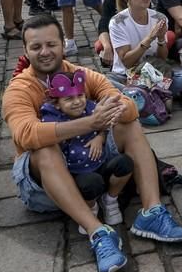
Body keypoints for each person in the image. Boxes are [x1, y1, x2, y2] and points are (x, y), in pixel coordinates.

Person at [5, 14, 182, 272]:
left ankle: (151, 210)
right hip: (46, 186)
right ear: (26, 50)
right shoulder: (19, 89)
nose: (45, 52)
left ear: (62, 44)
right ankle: (98, 232)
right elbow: (26, 134)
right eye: (36, 47)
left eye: (51, 44)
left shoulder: (81, 75)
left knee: (130, 125)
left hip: (89, 162)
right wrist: (91, 123)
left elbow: (127, 108)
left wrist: (110, 112)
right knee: (44, 146)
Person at [40, 68, 135, 232]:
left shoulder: (90, 108)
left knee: (125, 164)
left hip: (100, 163)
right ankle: (89, 208)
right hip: (77, 173)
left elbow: (105, 126)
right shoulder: (52, 119)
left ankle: (110, 199)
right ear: (56, 103)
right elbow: (50, 142)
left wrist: (100, 137)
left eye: (80, 95)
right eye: (69, 98)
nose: (77, 101)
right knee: (91, 184)